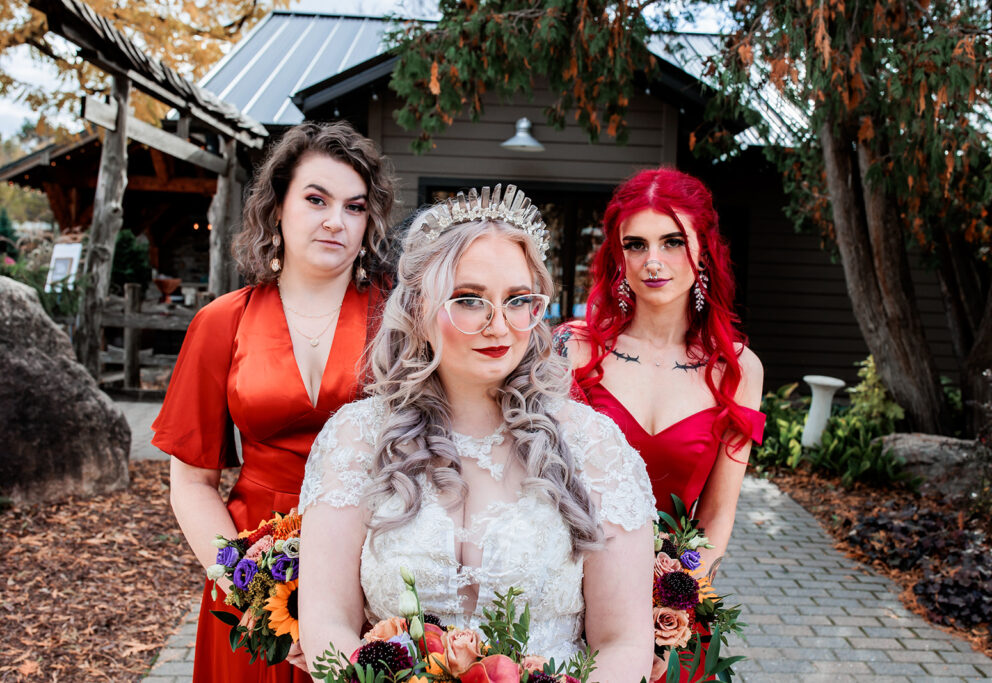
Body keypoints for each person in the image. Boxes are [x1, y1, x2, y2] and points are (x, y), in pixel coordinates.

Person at [297, 185, 657, 681]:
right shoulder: (355, 439)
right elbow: (327, 623)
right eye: (469, 300)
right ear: (420, 309)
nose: (499, 326)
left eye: (517, 301)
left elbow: (623, 643)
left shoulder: (594, 447)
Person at [151, 121, 395, 683]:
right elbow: (191, 482)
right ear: (277, 206)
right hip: (250, 559)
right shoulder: (222, 322)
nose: (336, 220)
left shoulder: (400, 325)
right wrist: (246, 588)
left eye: (354, 207)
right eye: (316, 199)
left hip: (371, 557)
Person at [555, 167, 765, 579]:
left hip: (673, 601)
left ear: (702, 249)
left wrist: (683, 602)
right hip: (568, 589)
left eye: (672, 242)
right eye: (636, 245)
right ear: (619, 257)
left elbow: (718, 513)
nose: (653, 262)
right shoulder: (572, 350)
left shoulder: (738, 369)